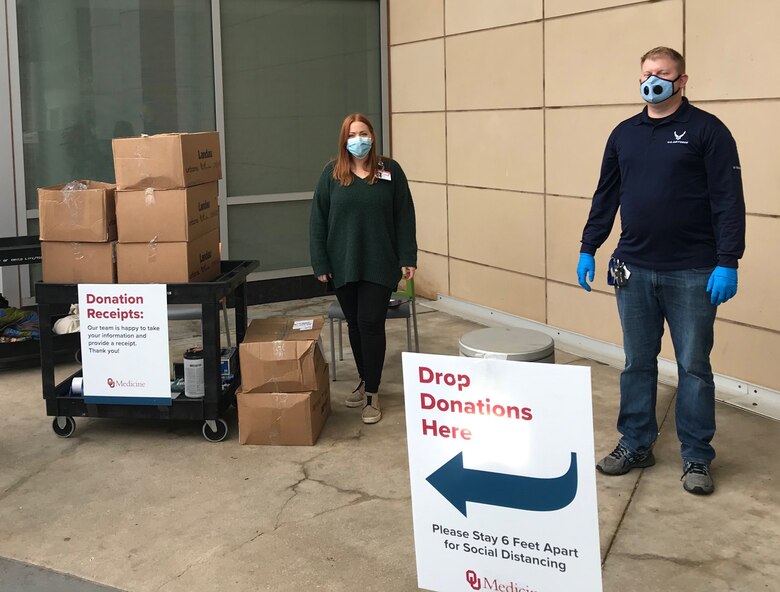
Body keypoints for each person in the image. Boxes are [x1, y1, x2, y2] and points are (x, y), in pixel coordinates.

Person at [576, 47, 746, 495]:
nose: (654, 80)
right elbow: (606, 194)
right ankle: (635, 443)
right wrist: (589, 245)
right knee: (637, 363)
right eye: (647, 73)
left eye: (663, 74)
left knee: (693, 366)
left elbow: (729, 199)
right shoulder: (624, 134)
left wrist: (728, 261)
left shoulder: (708, 131)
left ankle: (696, 456)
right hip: (632, 269)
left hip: (693, 271)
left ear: (682, 80)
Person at [310, 113, 417, 425]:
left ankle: (372, 392)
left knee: (371, 323)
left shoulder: (390, 171)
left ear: (372, 136)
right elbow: (318, 219)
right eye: (353, 134)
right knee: (354, 325)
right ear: (345, 140)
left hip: (380, 262)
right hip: (342, 263)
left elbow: (404, 215)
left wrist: (407, 256)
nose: (359, 140)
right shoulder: (332, 174)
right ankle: (363, 377)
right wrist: (321, 262)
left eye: (364, 133)